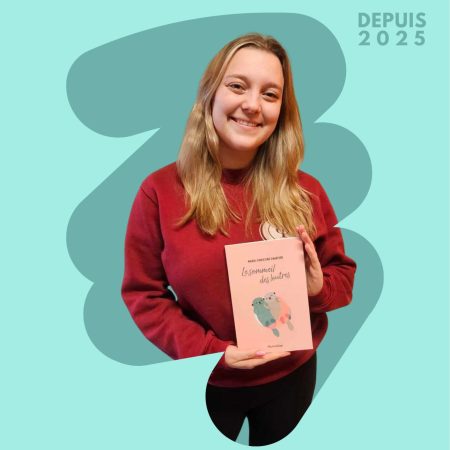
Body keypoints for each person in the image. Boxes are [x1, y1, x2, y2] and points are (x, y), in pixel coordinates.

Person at [121, 33, 356, 446]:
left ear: (282, 110)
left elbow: (343, 277)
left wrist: (317, 288)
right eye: (237, 86)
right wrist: (210, 352)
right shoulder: (158, 191)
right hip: (207, 380)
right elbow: (144, 295)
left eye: (270, 94)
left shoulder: (307, 191)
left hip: (294, 375)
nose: (252, 104)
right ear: (210, 94)